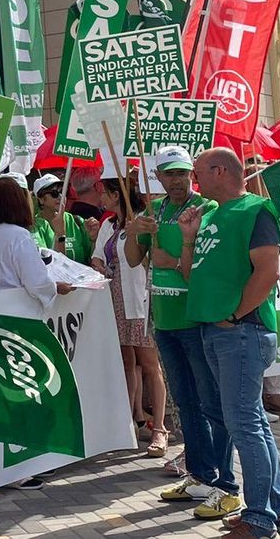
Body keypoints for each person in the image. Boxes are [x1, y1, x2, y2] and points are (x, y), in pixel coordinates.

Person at [178, 148, 280, 538]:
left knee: (244, 424)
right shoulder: (209, 215)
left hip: (242, 332)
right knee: (252, 422)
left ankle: (259, 520)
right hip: (217, 328)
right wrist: (189, 239)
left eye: (197, 173)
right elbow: (193, 275)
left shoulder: (255, 211)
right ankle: (274, 511)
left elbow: (267, 271)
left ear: (220, 171)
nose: (194, 181)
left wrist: (237, 315)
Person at [126, 147, 237, 514]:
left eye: (181, 173)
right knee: (185, 404)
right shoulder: (152, 212)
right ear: (157, 177)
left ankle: (225, 483)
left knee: (212, 403)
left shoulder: (207, 209)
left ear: (193, 173)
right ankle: (200, 475)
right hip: (165, 321)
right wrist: (132, 232)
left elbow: (213, 264)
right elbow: (131, 259)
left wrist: (171, 261)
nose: (175, 181)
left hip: (198, 320)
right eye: (168, 174)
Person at [93, 178, 167, 457]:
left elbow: (149, 258)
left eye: (105, 193)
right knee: (126, 361)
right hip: (115, 300)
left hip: (140, 299)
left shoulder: (142, 222)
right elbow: (98, 255)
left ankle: (159, 428)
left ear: (116, 195)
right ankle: (129, 421)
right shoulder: (108, 225)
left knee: (149, 363)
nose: (101, 198)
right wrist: (99, 265)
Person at [0, 177, 73, 307]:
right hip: (16, 308)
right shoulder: (18, 235)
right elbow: (37, 282)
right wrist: (55, 288)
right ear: (18, 202)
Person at [31, 174, 97, 263]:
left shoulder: (78, 221)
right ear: (41, 199)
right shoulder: (35, 227)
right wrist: (60, 235)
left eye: (64, 192)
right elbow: (48, 263)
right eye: (54, 194)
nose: (60, 196)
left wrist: (93, 239)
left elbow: (91, 258)